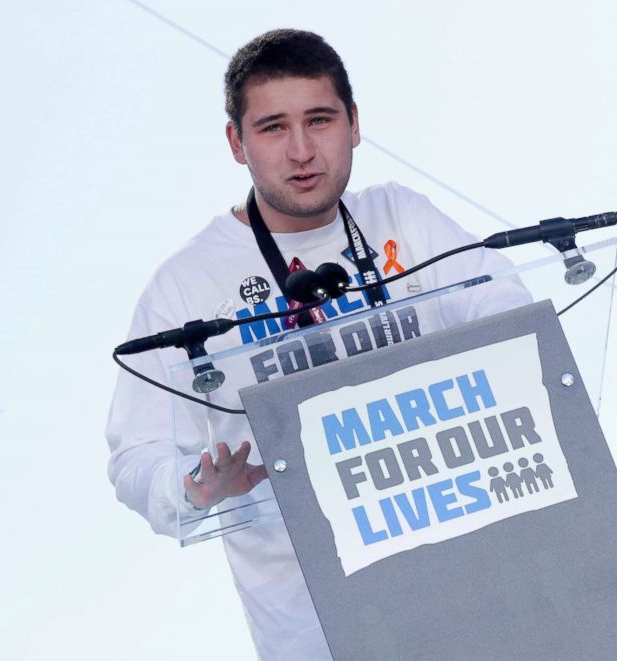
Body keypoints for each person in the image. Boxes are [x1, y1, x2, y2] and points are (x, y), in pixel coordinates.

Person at [106, 29, 530, 660]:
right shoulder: (184, 284)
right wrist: (194, 485)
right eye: (274, 127)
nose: (302, 151)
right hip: (322, 633)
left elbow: (512, 315)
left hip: (483, 594)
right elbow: (135, 456)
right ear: (236, 143)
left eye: (321, 119)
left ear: (355, 124)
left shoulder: (400, 217)